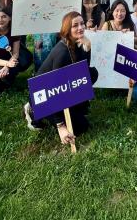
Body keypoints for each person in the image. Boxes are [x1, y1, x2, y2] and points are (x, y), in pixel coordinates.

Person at [24, 12, 98, 145]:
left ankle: (77, 105)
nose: (80, 28)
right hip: (45, 95)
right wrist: (60, 126)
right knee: (80, 128)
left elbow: (83, 71)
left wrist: (88, 49)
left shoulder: (80, 42)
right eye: (75, 25)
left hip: (63, 87)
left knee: (92, 73)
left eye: (82, 24)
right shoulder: (62, 53)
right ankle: (33, 110)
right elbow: (54, 89)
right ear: (67, 29)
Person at [0, 6, 33, 99]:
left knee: (25, 58)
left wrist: (6, 67)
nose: (0, 20)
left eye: (4, 17)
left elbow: (15, 53)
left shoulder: (14, 30)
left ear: (10, 18)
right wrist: (7, 64)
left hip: (9, 59)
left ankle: (5, 77)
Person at [32, 0, 60, 68]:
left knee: (51, 44)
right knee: (39, 45)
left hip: (55, 17)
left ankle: (51, 69)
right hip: (39, 18)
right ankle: (39, 71)